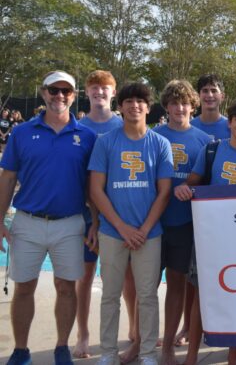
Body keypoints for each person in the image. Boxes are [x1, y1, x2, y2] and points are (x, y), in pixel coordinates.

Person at [1, 71, 97, 365]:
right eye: (53, 91)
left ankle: (61, 347)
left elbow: (93, 185)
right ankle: (20, 350)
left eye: (65, 91)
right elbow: (8, 177)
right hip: (27, 221)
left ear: (74, 95)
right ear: (43, 93)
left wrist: (96, 222)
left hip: (70, 223)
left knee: (67, 288)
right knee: (24, 287)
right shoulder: (21, 132)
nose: (59, 96)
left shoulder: (87, 137)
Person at [174, 101, 236, 365]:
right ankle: (192, 355)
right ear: (229, 123)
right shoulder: (212, 150)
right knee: (201, 297)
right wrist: (181, 189)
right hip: (210, 237)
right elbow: (191, 184)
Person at [89, 82, 174, 365]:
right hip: (114, 232)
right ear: (120, 106)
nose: (134, 105)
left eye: (140, 101)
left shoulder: (160, 144)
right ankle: (109, 353)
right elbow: (96, 190)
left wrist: (145, 229)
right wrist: (122, 227)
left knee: (148, 296)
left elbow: (164, 192)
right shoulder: (106, 142)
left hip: (149, 234)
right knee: (110, 296)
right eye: (128, 101)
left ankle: (148, 353)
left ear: (148, 108)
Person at [153, 80, 211, 365]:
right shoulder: (154, 136)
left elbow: (209, 183)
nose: (179, 108)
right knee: (146, 286)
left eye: (184, 103)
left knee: (176, 283)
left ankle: (167, 346)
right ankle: (142, 341)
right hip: (154, 222)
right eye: (174, 103)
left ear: (192, 105)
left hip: (185, 223)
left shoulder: (203, 141)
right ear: (166, 106)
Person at [73, 70, 124, 359]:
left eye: (104, 88)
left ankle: (135, 331)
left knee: (126, 278)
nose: (99, 92)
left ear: (113, 93)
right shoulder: (78, 128)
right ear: (86, 92)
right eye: (94, 88)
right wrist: (93, 220)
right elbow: (84, 181)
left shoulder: (126, 125)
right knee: (86, 275)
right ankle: (83, 334)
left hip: (121, 214)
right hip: (87, 215)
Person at [191, 74, 230, 140]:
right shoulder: (189, 126)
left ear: (222, 96)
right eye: (205, 91)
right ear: (198, 96)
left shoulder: (232, 128)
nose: (209, 95)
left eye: (214, 91)